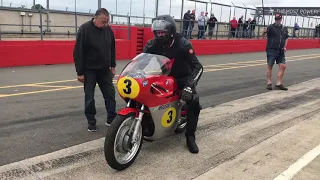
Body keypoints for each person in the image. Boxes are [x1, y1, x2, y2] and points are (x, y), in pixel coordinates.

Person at [142, 15, 203, 154]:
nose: (159, 34)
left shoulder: (183, 44)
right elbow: (142, 61)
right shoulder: (152, 44)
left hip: (183, 78)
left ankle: (190, 137)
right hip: (163, 76)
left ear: (171, 31)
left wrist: (190, 85)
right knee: (143, 92)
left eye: (163, 32)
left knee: (193, 101)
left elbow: (197, 66)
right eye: (157, 32)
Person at [73, 8, 117, 132]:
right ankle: (91, 122)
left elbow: (112, 48)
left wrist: (112, 66)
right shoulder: (85, 29)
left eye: (107, 22)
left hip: (104, 70)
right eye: (103, 22)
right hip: (89, 70)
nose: (105, 25)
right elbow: (78, 51)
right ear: (95, 18)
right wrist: (80, 72)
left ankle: (111, 118)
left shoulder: (108, 30)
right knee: (89, 98)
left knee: (110, 95)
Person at [263, 13, 289, 91]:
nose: (277, 21)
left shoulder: (284, 28)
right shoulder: (270, 27)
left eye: (279, 19)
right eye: (276, 19)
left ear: (281, 19)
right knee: (270, 66)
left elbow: (286, 38)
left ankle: (278, 83)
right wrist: (264, 32)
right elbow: (263, 35)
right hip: (271, 49)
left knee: (283, 66)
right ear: (275, 19)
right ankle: (269, 82)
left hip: (280, 50)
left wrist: (284, 47)